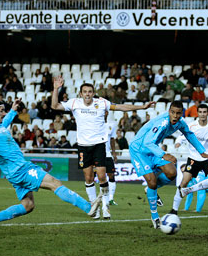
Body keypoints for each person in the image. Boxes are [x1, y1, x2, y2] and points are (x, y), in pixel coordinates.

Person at [0, 98, 100, 236]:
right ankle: (88, 207)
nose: (3, 113)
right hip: (21, 170)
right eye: (1, 111)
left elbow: (5, 122)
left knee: (28, 205)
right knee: (55, 183)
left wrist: (13, 109)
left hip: (15, 172)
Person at [51, 77, 155, 220]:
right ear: (80, 94)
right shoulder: (74, 103)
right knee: (88, 178)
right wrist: (56, 88)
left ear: (93, 93)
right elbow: (55, 106)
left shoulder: (102, 103)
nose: (87, 94)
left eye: (90, 92)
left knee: (101, 176)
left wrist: (142, 107)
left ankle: (106, 206)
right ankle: (95, 207)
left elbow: (120, 106)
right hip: (83, 146)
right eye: (85, 92)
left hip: (99, 145)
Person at [130, 101, 208, 229]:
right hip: (139, 150)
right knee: (151, 182)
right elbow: (147, 142)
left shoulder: (180, 122)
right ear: (169, 112)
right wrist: (163, 154)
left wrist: (202, 151)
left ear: (181, 114)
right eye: (172, 112)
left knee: (172, 172)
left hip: (153, 149)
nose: (175, 116)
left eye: (178, 113)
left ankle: (151, 190)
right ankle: (155, 216)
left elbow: (189, 134)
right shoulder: (162, 122)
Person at [170, 104, 208, 217]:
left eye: (204, 112)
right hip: (194, 158)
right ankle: (174, 208)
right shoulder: (191, 126)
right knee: (184, 182)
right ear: (197, 113)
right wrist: (178, 142)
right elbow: (182, 136)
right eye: (200, 112)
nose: (202, 114)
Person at [104, 112, 119, 208]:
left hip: (108, 155)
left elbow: (112, 139)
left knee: (111, 175)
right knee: (93, 177)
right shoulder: (95, 125)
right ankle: (94, 199)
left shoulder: (111, 125)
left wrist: (114, 153)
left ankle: (111, 199)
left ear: (107, 113)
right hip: (97, 155)